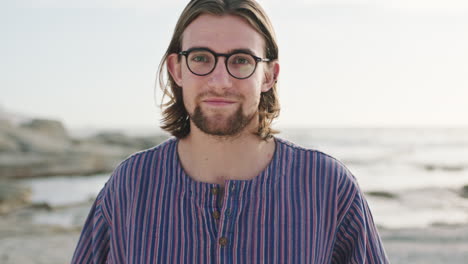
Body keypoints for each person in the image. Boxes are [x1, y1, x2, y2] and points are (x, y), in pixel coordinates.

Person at [72, 0, 389, 263]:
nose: (220, 80)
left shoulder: (328, 187)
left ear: (268, 75)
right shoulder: (130, 186)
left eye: (240, 60)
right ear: (177, 69)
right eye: (200, 58)